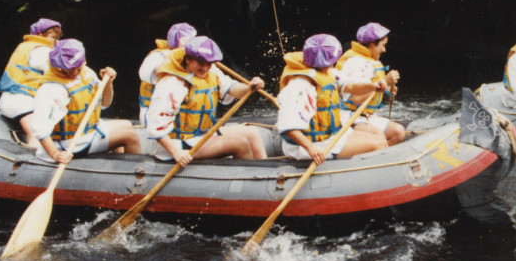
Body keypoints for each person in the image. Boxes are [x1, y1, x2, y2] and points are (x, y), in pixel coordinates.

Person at [143, 36, 268, 164]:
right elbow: (155, 124)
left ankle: (267, 175)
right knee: (240, 144)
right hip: (176, 144)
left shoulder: (211, 71)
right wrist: (176, 152)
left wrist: (249, 88)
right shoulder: (172, 83)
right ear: (188, 60)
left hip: (200, 135)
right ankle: (245, 181)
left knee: (252, 133)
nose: (205, 68)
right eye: (201, 63)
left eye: (209, 63)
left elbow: (233, 89)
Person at [276, 34, 390, 164]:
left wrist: (372, 85)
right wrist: (310, 148)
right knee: (378, 144)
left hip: (328, 136)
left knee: (379, 136)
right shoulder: (300, 85)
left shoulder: (327, 72)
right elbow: (287, 126)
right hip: (305, 146)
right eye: (331, 60)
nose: (333, 63)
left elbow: (351, 85)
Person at [31, 38, 143, 164]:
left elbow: (105, 103)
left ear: (84, 61)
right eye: (68, 69)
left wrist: (108, 83)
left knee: (127, 125)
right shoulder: (52, 89)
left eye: (77, 68)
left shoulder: (86, 73)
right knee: (131, 137)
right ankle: (135, 175)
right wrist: (55, 154)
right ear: (59, 66)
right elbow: (40, 129)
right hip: (70, 144)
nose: (74, 72)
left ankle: (117, 165)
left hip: (88, 133)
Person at [0, 17, 63, 148]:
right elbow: (55, 72)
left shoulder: (24, 46)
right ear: (40, 35)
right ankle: (34, 156)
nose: (56, 41)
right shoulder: (41, 50)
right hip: (23, 104)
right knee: (36, 135)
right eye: (54, 37)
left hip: (9, 100)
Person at [336, 22, 406, 145]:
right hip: (347, 116)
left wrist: (388, 87)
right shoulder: (355, 63)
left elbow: (373, 87)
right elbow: (356, 99)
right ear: (372, 43)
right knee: (379, 137)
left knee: (399, 132)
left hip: (364, 115)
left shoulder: (369, 60)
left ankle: (378, 153)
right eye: (383, 45)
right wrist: (385, 82)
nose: (384, 50)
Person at [137, 22, 196, 124]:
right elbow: (148, 74)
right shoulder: (158, 56)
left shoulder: (194, 59)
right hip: (155, 114)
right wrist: (180, 52)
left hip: (183, 113)